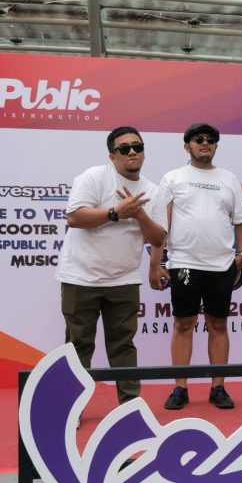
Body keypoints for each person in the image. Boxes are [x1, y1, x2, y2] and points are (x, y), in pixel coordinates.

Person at [56, 126, 167, 424]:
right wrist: (116, 213)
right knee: (78, 347)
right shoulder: (94, 177)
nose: (132, 152)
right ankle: (70, 411)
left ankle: (130, 411)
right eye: (124, 148)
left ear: (143, 152)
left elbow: (158, 238)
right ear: (112, 155)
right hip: (81, 278)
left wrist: (139, 213)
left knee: (123, 346)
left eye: (137, 146)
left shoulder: (154, 191)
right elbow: (75, 217)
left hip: (124, 280)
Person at [149, 123, 242, 410]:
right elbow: (161, 225)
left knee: (218, 324)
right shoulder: (173, 178)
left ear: (216, 146)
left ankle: (218, 387)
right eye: (198, 139)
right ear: (187, 146)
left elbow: (241, 220)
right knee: (183, 324)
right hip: (183, 264)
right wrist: (156, 263)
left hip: (221, 265)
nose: (205, 143)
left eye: (210, 139)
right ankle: (180, 388)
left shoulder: (229, 178)